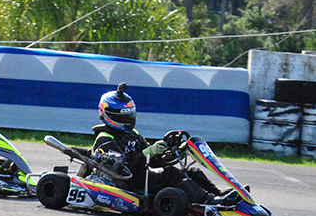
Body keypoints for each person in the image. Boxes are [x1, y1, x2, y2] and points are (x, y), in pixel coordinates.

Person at [91, 83, 238, 205]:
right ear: (109, 114)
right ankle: (210, 201)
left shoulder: (133, 135)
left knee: (192, 171)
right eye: (123, 115)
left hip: (146, 176)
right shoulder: (105, 139)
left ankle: (219, 196)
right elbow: (121, 170)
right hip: (131, 184)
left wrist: (173, 152)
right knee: (171, 174)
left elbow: (154, 162)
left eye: (130, 114)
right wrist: (148, 152)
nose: (129, 119)